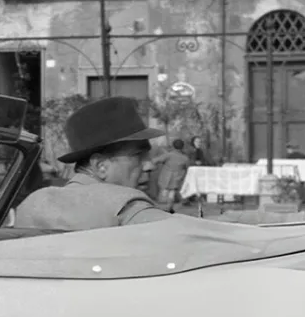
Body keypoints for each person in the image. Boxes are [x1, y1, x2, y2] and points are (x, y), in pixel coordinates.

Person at [12, 96, 171, 230]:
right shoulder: (126, 205)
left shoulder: (32, 204)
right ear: (101, 166)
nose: (150, 166)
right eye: (139, 155)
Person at [148, 138, 191, 212]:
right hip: (177, 179)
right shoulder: (185, 158)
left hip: (166, 178)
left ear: (173, 146)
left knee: (164, 193)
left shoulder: (168, 155)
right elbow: (188, 168)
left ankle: (163, 209)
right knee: (172, 194)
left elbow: (155, 161)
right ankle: (169, 207)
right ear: (182, 147)